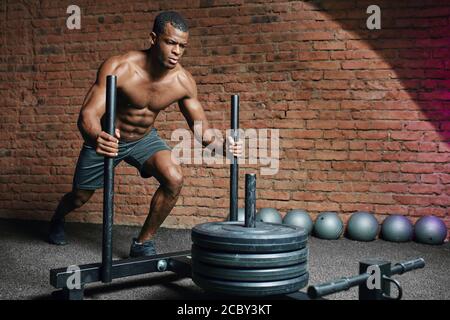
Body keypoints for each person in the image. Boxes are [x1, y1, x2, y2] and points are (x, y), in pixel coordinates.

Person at [48, 11, 243, 257]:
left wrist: (222, 145)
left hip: (143, 139)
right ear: (153, 38)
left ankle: (142, 242)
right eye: (170, 42)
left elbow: (201, 129)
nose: (177, 51)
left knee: (174, 178)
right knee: (79, 197)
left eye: (182, 46)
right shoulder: (120, 67)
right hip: (108, 137)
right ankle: (57, 218)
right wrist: (97, 137)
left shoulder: (183, 82)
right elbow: (88, 114)